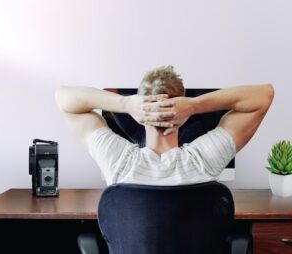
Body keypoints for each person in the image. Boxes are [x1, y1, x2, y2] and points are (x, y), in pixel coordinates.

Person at [55, 65, 274, 186]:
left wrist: (126, 103)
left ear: (140, 111)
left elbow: (63, 98)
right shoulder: (204, 161)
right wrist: (195, 105)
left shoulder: (117, 162)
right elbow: (264, 95)